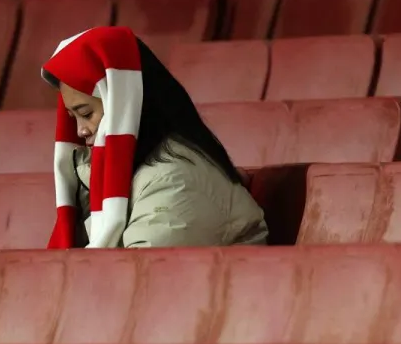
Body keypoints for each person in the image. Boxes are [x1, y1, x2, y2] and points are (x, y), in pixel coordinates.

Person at [42, 26, 268, 249]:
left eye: (86, 114)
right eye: (73, 118)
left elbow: (140, 280)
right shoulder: (131, 174)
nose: (81, 131)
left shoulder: (174, 180)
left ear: (124, 105)